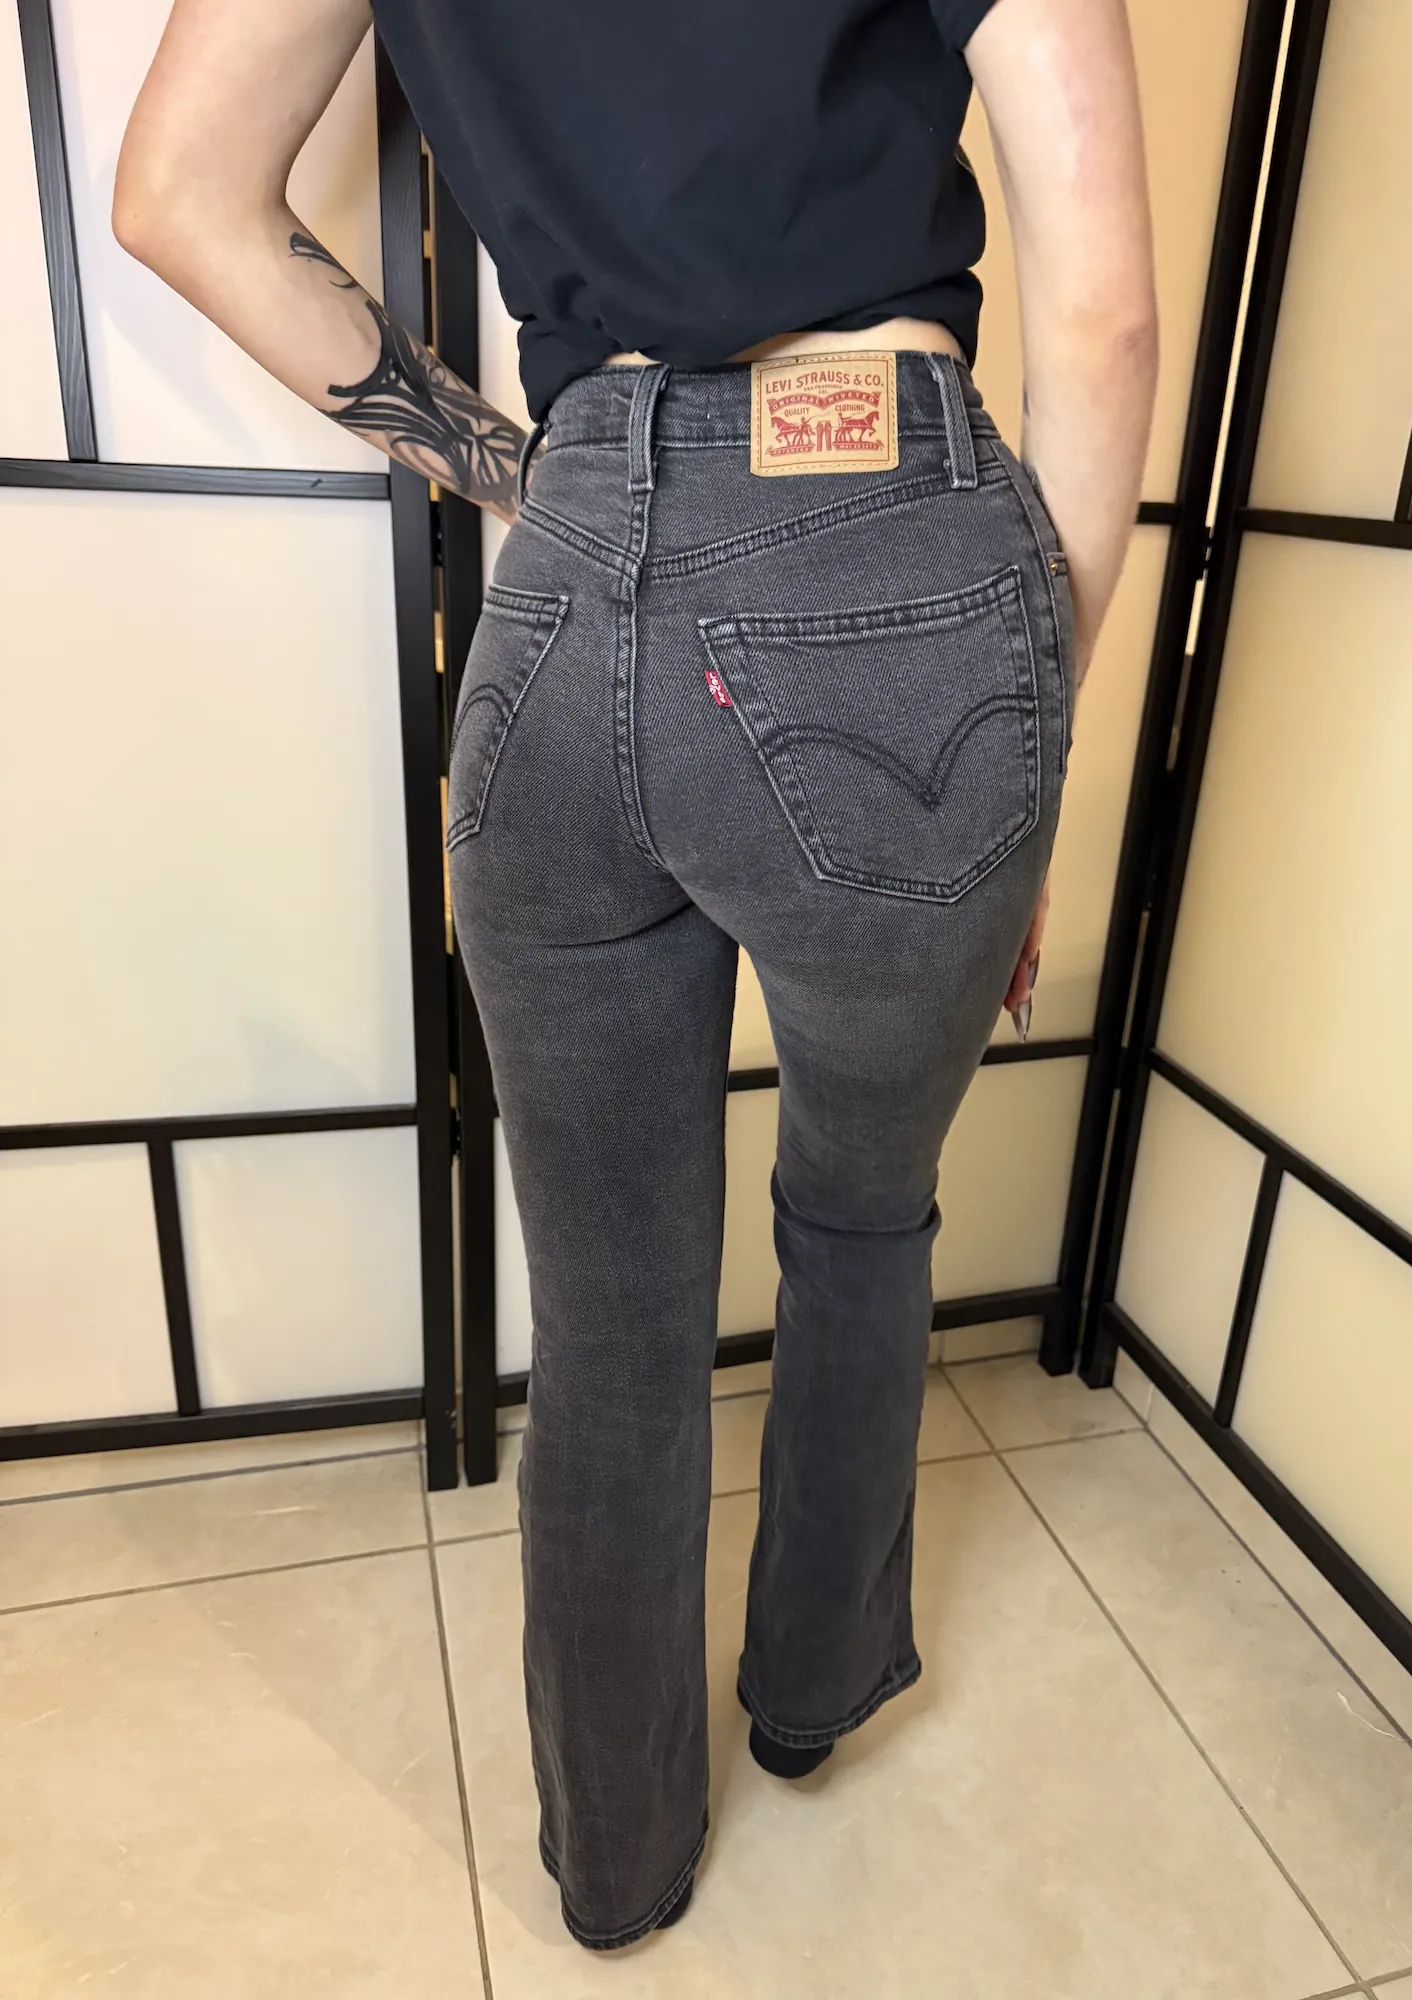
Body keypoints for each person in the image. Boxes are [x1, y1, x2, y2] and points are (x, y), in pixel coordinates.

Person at [115, 0, 1156, 1953]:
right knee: (860, 1209)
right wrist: (1020, 765)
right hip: (897, 566)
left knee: (609, 1317)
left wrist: (534, 483)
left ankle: (617, 1860)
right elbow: (1099, 317)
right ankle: (808, 1697)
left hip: (568, 575)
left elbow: (178, 194)